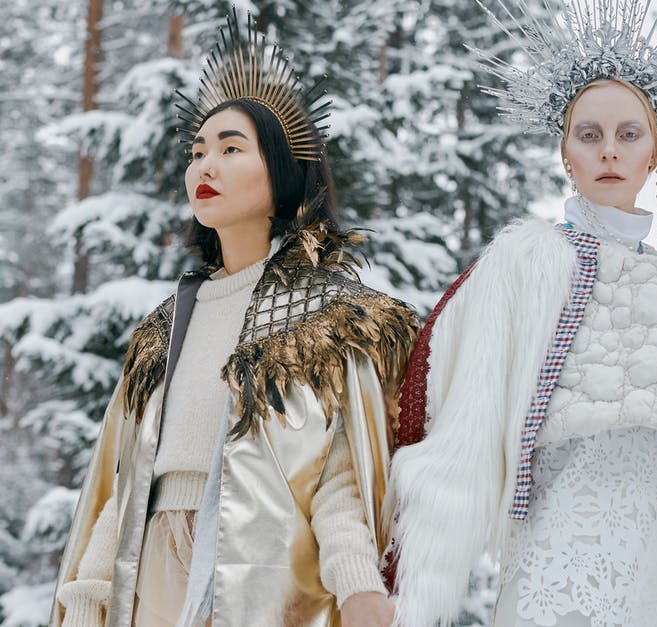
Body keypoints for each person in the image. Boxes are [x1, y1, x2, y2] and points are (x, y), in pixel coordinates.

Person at [382, 1, 657, 625]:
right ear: (565, 152)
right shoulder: (528, 261)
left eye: (629, 134)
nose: (608, 151)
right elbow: (471, 407)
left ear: (654, 153)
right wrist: (422, 574)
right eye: (589, 134)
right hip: (564, 528)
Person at [51, 14, 418, 627]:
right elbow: (128, 479)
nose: (204, 167)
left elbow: (338, 480)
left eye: (229, 149)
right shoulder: (162, 330)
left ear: (282, 173)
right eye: (197, 153)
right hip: (148, 581)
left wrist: (358, 585)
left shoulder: (329, 322)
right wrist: (90, 595)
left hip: (261, 581)